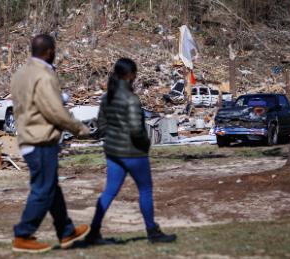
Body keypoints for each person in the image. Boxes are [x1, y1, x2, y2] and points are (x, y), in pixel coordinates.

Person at [10, 34, 91, 253]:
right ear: (49, 52)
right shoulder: (44, 75)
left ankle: (66, 231)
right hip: (41, 141)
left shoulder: (20, 74)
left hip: (27, 137)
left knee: (51, 188)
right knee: (43, 190)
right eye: (54, 52)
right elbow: (54, 110)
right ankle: (23, 234)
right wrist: (80, 128)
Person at [85, 58, 177, 244]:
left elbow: (101, 125)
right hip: (133, 153)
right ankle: (152, 232)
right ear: (131, 75)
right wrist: (146, 144)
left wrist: (113, 136)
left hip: (112, 152)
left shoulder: (106, 97)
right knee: (145, 190)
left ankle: (93, 233)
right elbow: (136, 129)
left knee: (109, 192)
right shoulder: (131, 99)